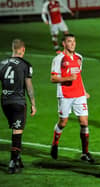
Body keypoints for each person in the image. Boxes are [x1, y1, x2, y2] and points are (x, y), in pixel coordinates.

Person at [50, 33, 94, 163]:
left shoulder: (79, 57)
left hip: (79, 94)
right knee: (63, 123)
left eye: (74, 41)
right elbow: (53, 78)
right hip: (65, 95)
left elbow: (78, 77)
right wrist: (67, 78)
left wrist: (84, 91)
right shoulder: (58, 59)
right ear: (64, 43)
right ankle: (55, 143)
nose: (73, 44)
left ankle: (85, 153)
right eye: (69, 41)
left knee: (84, 122)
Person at [0, 39, 36, 174]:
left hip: (5, 102)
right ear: (23, 49)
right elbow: (29, 86)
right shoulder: (26, 64)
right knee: (17, 131)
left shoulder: (2, 63)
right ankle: (12, 161)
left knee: (14, 128)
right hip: (18, 102)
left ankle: (18, 158)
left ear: (13, 48)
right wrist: (33, 103)